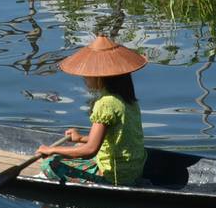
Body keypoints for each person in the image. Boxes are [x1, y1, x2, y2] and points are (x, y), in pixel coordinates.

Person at [35, 36, 148, 185]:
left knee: (49, 164)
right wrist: (80, 138)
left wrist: (52, 150)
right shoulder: (128, 99)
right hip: (133, 169)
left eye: (88, 75)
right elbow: (112, 138)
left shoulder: (106, 104)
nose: (85, 78)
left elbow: (91, 150)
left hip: (114, 175)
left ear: (100, 77)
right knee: (77, 146)